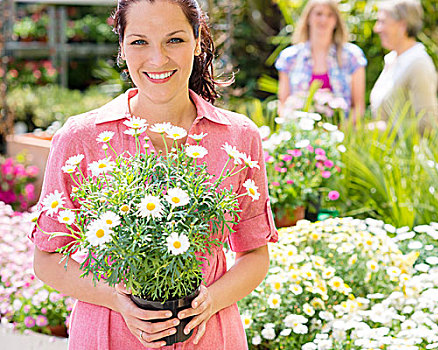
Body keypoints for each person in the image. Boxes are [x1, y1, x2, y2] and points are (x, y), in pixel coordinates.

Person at [30, 0, 278, 349]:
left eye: (174, 40)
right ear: (122, 46)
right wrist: (117, 300)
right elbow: (48, 259)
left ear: (197, 41)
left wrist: (211, 301)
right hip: (109, 335)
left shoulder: (238, 136)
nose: (158, 59)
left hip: (210, 336)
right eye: (139, 41)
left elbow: (254, 253)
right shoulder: (79, 137)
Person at [275, 0, 367, 123]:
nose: (324, 19)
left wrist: (341, 131)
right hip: (301, 134)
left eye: (330, 15)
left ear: (336, 21)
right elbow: (283, 105)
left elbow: (359, 107)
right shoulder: (290, 57)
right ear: (308, 18)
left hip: (342, 133)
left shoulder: (352, 56)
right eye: (318, 14)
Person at [370, 0, 438, 132]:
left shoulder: (418, 63)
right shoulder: (393, 59)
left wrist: (379, 129)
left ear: (402, 25)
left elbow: (428, 124)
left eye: (382, 22)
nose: (377, 28)